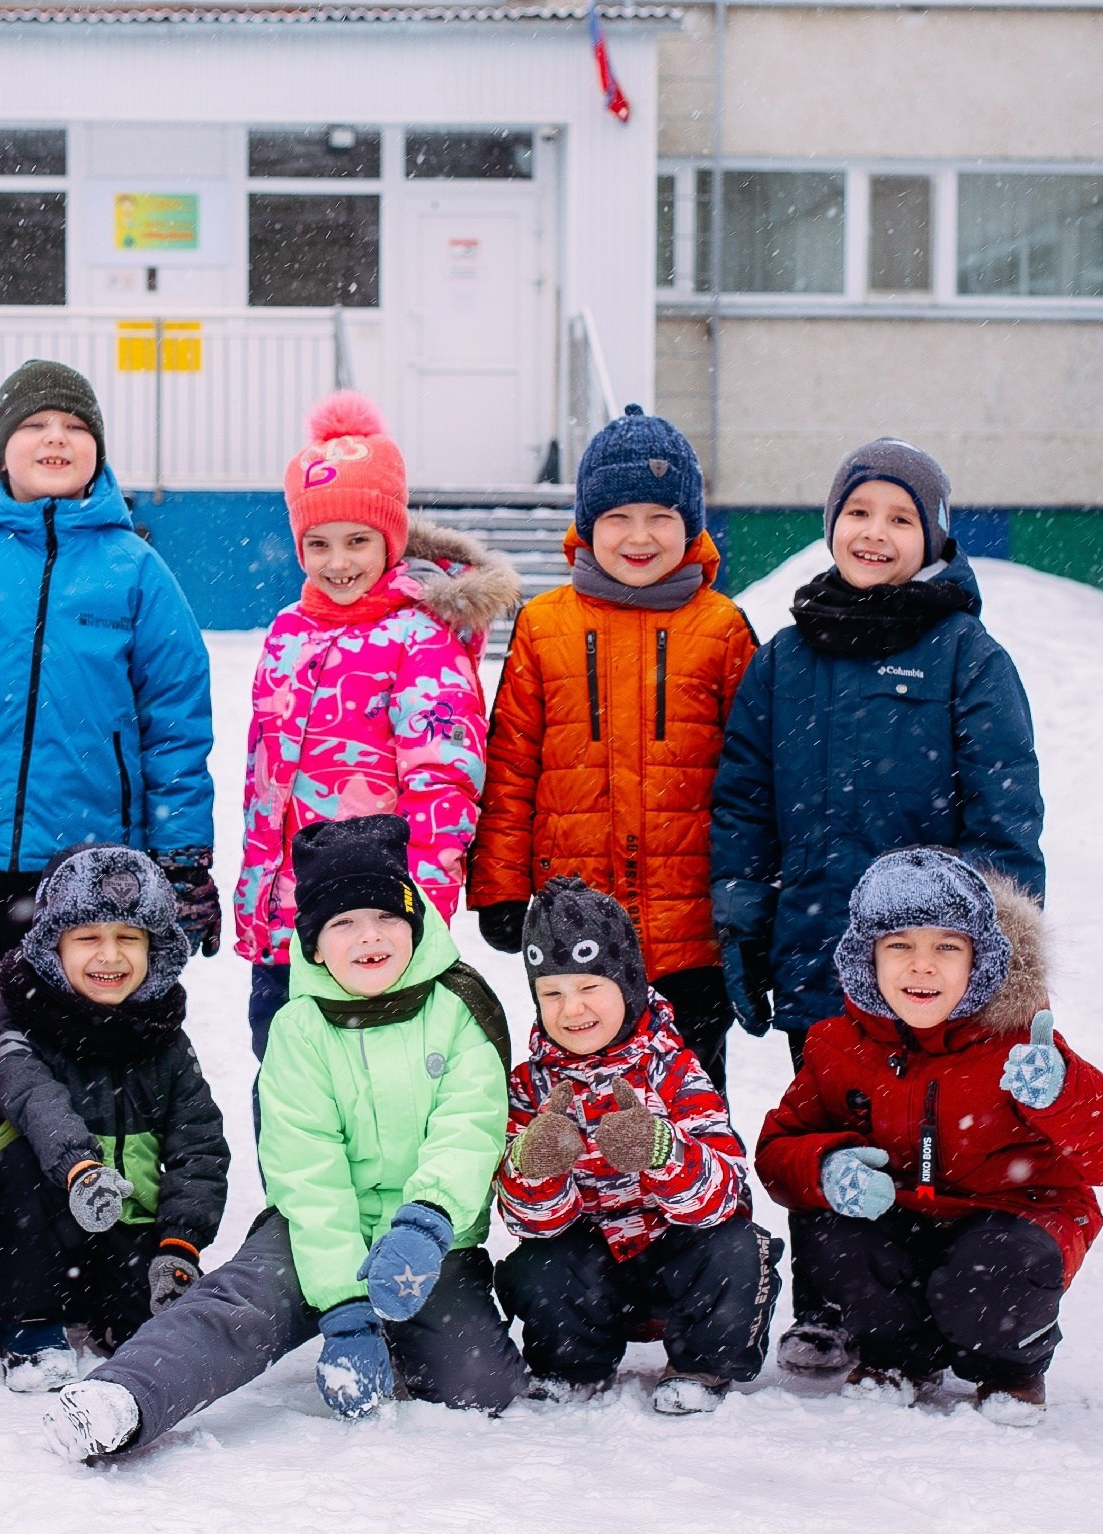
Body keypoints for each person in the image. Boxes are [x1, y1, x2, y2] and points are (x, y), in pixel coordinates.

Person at [710, 437, 1044, 1375]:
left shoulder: (967, 657)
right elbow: (742, 802)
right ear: (831, 526)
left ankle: (939, 1307)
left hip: (935, 960)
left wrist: (1000, 962)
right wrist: (743, 919)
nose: (875, 533)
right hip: (816, 946)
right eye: (860, 513)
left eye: (900, 518)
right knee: (828, 1119)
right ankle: (829, 1307)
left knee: (930, 1127)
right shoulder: (784, 658)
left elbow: (1007, 820)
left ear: (932, 538)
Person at [42, 816, 526, 1461]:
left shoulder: (459, 1008)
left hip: (429, 1234)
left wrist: (427, 1222)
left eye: (385, 917)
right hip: (317, 1228)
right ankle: (125, 1396)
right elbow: (307, 1167)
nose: (369, 936)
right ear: (316, 945)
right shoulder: (299, 1029)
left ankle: (406, 1334)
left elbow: (471, 1129)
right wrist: (344, 1307)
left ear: (414, 923)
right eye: (343, 923)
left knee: (480, 1385)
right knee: (242, 1304)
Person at [0, 361, 218, 1123]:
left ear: (98, 449)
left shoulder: (135, 570)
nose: (55, 439)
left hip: (96, 862)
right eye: (34, 425)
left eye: (74, 426)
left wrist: (184, 854)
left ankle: (90, 1205)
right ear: (2, 448)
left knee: (93, 1032)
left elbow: (175, 724)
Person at [757, 849, 1103, 1425]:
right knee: (836, 1229)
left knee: (994, 1266)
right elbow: (778, 1150)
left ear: (981, 960)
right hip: (898, 1216)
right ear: (867, 958)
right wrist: (823, 1167)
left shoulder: (1018, 1044)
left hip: (1008, 1216)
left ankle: (1009, 1368)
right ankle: (895, 1356)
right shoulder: (834, 1045)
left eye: (947, 947)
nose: (922, 967)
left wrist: (1064, 1092)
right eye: (900, 946)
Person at [470, 406, 759, 1093]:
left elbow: (754, 778)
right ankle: (589, 1205)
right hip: (576, 931)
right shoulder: (545, 628)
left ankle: (704, 1203)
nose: (639, 537)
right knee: (582, 1101)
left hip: (692, 932)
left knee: (690, 1099)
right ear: (586, 526)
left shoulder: (721, 629)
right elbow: (512, 763)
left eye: (660, 516)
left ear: (690, 526)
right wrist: (502, 886)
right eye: (617, 518)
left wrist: (752, 898)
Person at [234, 391, 519, 1060]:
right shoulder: (287, 633)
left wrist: (417, 915)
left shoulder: (421, 639)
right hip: (286, 922)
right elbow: (264, 783)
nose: (338, 563)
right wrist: (255, 899)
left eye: (358, 541)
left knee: (376, 1094)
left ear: (390, 541)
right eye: (318, 543)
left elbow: (443, 785)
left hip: (377, 927)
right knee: (287, 1094)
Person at [494, 880, 779, 1415]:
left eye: (588, 987)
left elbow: (726, 1194)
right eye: (552, 993)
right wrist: (536, 1170)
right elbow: (529, 1223)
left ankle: (701, 1365)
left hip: (676, 1259)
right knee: (539, 1264)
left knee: (737, 1247)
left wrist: (661, 1152)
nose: (571, 1009)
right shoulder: (530, 1087)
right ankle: (571, 1367)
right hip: (594, 1271)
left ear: (627, 984)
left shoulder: (673, 1068)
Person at [0, 845, 229, 1391]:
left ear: (154, 949)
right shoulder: (24, 1027)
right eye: (88, 938)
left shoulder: (163, 1039)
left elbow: (200, 1147)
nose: (109, 956)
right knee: (17, 1163)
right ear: (53, 948)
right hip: (46, 1228)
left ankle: (121, 1312)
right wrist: (81, 1170)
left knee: (155, 1316)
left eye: (128, 938)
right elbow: (35, 1101)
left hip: (124, 1226)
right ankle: (29, 1323)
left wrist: (180, 1243)